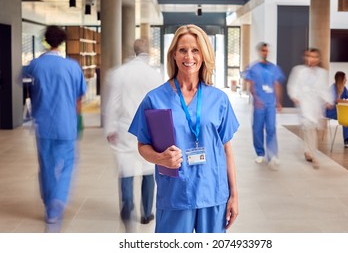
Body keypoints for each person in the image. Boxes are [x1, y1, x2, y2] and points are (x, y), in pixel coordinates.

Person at [129, 24, 239, 233]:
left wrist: (234, 194)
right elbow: (143, 145)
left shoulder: (219, 99)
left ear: (204, 54)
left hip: (213, 194)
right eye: (183, 50)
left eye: (195, 50)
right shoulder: (155, 99)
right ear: (174, 55)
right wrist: (160, 158)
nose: (189, 56)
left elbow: (226, 149)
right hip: (175, 195)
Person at [22, 25, 87, 226]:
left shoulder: (35, 65)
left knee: (47, 166)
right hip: (66, 124)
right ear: (63, 42)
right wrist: (76, 119)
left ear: (45, 41)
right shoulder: (73, 67)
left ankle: (50, 205)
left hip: (43, 125)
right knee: (68, 163)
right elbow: (79, 98)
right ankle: (59, 198)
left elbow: (25, 88)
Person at [103, 38, 162, 230]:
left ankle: (127, 209)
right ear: (149, 52)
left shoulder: (120, 72)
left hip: (125, 127)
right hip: (150, 128)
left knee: (126, 169)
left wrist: (110, 128)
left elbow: (113, 102)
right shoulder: (155, 75)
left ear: (134, 50)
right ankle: (146, 213)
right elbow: (160, 106)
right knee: (148, 169)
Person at [287, 48, 333, 169]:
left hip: (315, 105)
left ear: (318, 59)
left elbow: (323, 89)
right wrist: (294, 96)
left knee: (312, 129)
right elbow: (292, 85)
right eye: (309, 56)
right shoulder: (298, 70)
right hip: (304, 104)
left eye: (314, 57)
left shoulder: (322, 73)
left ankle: (308, 151)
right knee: (308, 128)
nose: (311, 59)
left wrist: (328, 100)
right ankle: (313, 154)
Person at [244, 42, 285, 170]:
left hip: (270, 103)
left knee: (271, 128)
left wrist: (278, 102)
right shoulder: (253, 67)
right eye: (263, 50)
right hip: (259, 104)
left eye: (266, 50)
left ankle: (272, 155)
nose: (265, 52)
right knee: (257, 129)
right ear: (259, 52)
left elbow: (277, 85)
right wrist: (256, 98)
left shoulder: (274, 68)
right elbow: (250, 85)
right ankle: (260, 153)